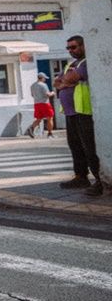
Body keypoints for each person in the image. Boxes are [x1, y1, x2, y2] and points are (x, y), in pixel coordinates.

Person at [54, 35, 102, 197]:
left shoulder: (86, 62)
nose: (71, 51)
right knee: (75, 145)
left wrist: (67, 81)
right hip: (70, 112)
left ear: (83, 46)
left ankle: (99, 180)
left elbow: (68, 79)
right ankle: (80, 176)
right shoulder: (71, 64)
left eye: (73, 47)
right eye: (68, 48)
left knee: (89, 147)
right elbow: (57, 82)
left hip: (83, 111)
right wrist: (66, 82)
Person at [25, 73, 55, 138]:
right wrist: (52, 93)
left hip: (36, 104)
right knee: (50, 118)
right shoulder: (43, 85)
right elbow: (47, 94)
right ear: (42, 78)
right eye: (44, 78)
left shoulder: (32, 85)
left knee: (38, 119)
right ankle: (50, 133)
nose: (45, 80)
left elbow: (32, 95)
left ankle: (31, 128)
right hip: (45, 103)